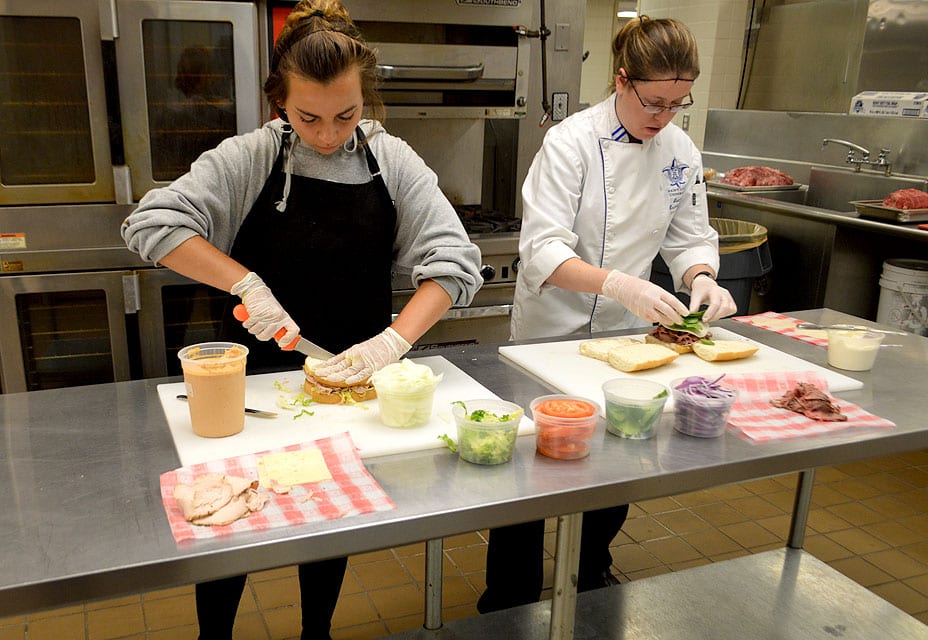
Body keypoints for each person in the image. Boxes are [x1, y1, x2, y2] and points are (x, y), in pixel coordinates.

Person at [122, 1, 482, 638]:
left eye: (346, 115)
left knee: (325, 521)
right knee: (227, 522)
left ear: (364, 99)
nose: (327, 134)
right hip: (243, 391)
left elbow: (455, 261)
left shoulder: (391, 161)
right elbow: (151, 225)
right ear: (277, 103)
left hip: (343, 386)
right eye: (307, 116)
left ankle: (316, 629)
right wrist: (245, 282)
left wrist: (393, 342)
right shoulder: (250, 157)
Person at [477, 16, 738, 613]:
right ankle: (509, 593)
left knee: (618, 456)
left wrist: (701, 279)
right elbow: (542, 249)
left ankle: (591, 570)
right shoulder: (568, 142)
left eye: (678, 103)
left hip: (626, 338)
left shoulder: (679, 148)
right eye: (653, 101)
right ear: (621, 80)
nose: (663, 116)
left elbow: (689, 235)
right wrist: (620, 283)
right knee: (529, 464)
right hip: (550, 332)